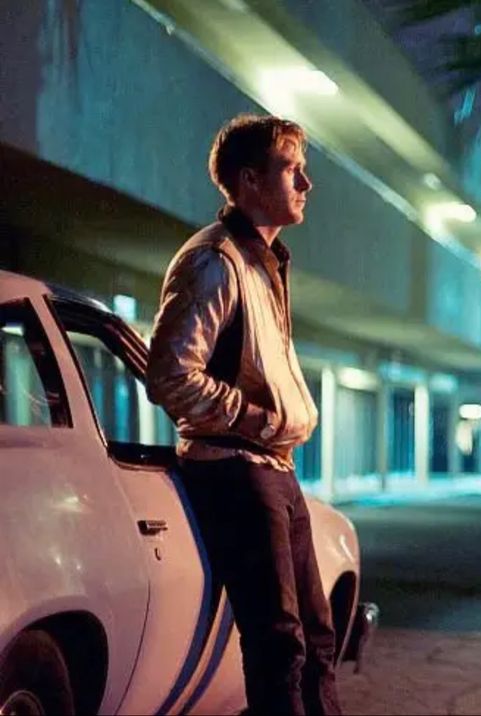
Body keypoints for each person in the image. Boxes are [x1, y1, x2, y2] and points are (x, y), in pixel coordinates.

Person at [146, 113, 341, 716]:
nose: (306, 184)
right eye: (291, 170)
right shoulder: (214, 260)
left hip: (271, 468)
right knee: (279, 640)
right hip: (234, 468)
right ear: (251, 181)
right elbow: (171, 374)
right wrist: (256, 421)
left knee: (315, 636)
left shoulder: (263, 260)